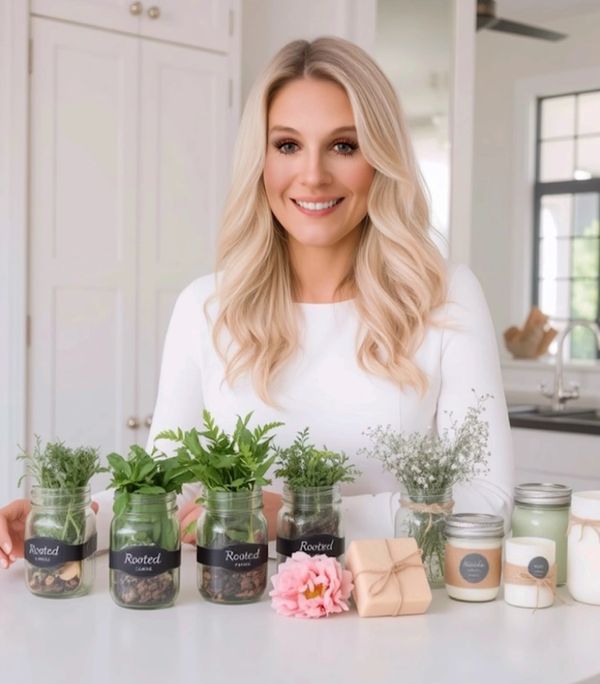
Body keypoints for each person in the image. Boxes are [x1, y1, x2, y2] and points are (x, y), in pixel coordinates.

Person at [0, 36, 514, 566]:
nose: (312, 174)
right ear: (260, 159)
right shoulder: (207, 307)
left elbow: (488, 501)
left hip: (393, 615)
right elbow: (168, 492)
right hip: (233, 613)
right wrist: (57, 518)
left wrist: (294, 514)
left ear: (381, 158)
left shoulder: (443, 295)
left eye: (344, 145)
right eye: (288, 145)